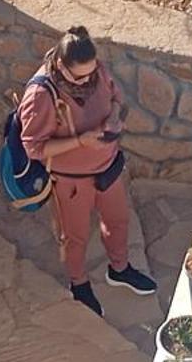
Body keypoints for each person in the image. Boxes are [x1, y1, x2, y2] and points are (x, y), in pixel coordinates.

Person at [17, 25, 157, 315]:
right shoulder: (41, 94)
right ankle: (78, 283)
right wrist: (80, 141)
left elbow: (116, 99)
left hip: (107, 167)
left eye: (91, 73)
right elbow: (34, 148)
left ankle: (119, 269)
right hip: (71, 181)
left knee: (118, 221)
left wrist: (116, 118)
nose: (87, 79)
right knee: (75, 236)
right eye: (80, 76)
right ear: (60, 65)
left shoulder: (97, 72)